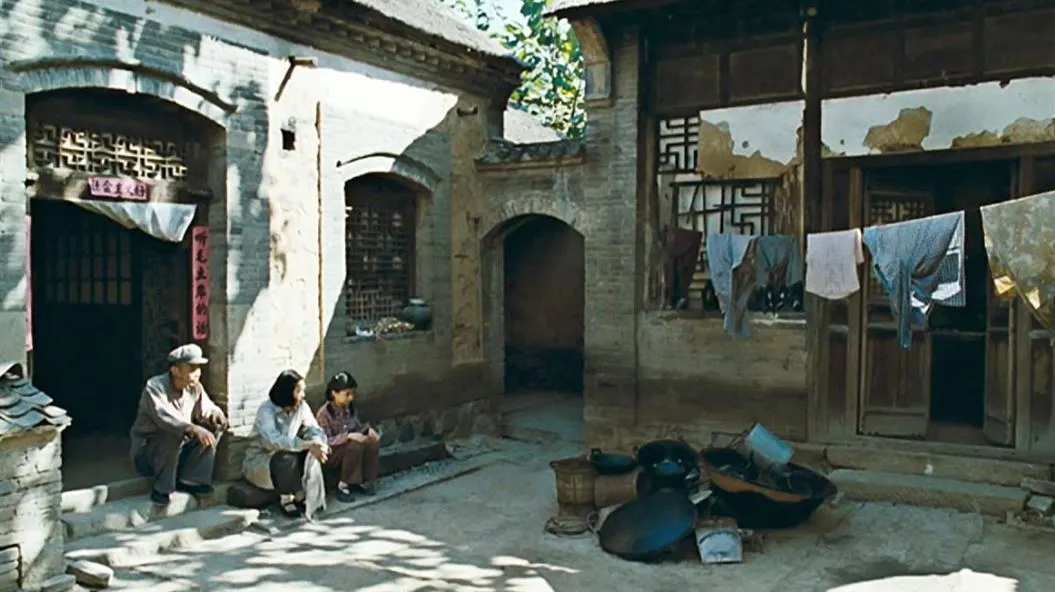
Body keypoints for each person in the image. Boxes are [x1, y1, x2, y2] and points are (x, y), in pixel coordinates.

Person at [129, 343, 227, 505]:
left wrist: (215, 414)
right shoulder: (154, 387)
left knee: (213, 427)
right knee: (171, 433)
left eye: (199, 368)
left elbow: (206, 407)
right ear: (175, 370)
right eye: (192, 368)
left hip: (178, 451)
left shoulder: (194, 387)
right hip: (149, 453)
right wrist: (192, 428)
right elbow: (164, 418)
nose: (198, 373)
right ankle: (162, 489)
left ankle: (191, 480)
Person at [243, 369, 329, 520]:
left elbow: (313, 428)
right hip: (263, 458)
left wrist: (317, 443)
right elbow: (274, 441)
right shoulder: (266, 410)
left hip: (290, 451)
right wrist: (305, 444)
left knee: (310, 451)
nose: (303, 395)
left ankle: (300, 493)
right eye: (299, 391)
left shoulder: (301, 406)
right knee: (286, 458)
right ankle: (286, 498)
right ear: (287, 392)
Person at [315, 372, 380, 502]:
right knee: (355, 446)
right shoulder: (324, 413)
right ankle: (342, 486)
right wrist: (348, 436)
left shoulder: (349, 408)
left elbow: (356, 426)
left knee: (371, 443)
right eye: (347, 394)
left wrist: (368, 431)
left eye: (352, 394)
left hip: (348, 448)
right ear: (334, 393)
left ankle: (364, 480)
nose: (351, 398)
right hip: (332, 453)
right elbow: (324, 440)